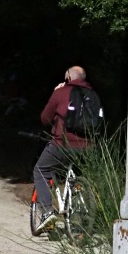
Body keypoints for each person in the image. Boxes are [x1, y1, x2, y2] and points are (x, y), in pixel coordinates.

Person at [32, 65, 95, 229]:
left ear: (68, 78)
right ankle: (79, 212)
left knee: (40, 170)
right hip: (89, 148)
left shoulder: (61, 92)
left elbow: (45, 118)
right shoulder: (92, 94)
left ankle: (47, 213)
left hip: (63, 144)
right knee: (76, 174)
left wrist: (55, 93)